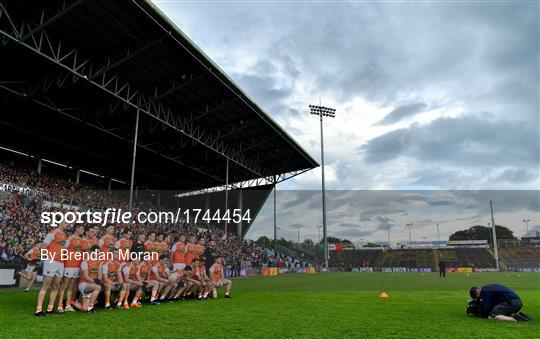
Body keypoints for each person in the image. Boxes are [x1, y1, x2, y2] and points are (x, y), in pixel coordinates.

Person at [35, 222, 68, 317]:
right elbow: (43, 247)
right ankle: (38, 310)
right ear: (60, 223)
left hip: (60, 262)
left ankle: (50, 308)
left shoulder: (64, 235)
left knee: (56, 285)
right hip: (51, 261)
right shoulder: (52, 234)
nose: (68, 224)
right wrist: (46, 259)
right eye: (65, 222)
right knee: (46, 284)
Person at [78, 245, 102, 313]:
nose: (98, 254)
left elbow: (99, 276)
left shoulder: (99, 262)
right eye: (97, 252)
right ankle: (91, 308)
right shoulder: (85, 262)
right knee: (98, 287)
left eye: (98, 253)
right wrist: (95, 282)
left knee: (84, 308)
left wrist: (97, 281)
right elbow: (86, 277)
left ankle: (74, 302)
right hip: (84, 284)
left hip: (92, 284)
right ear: (91, 252)